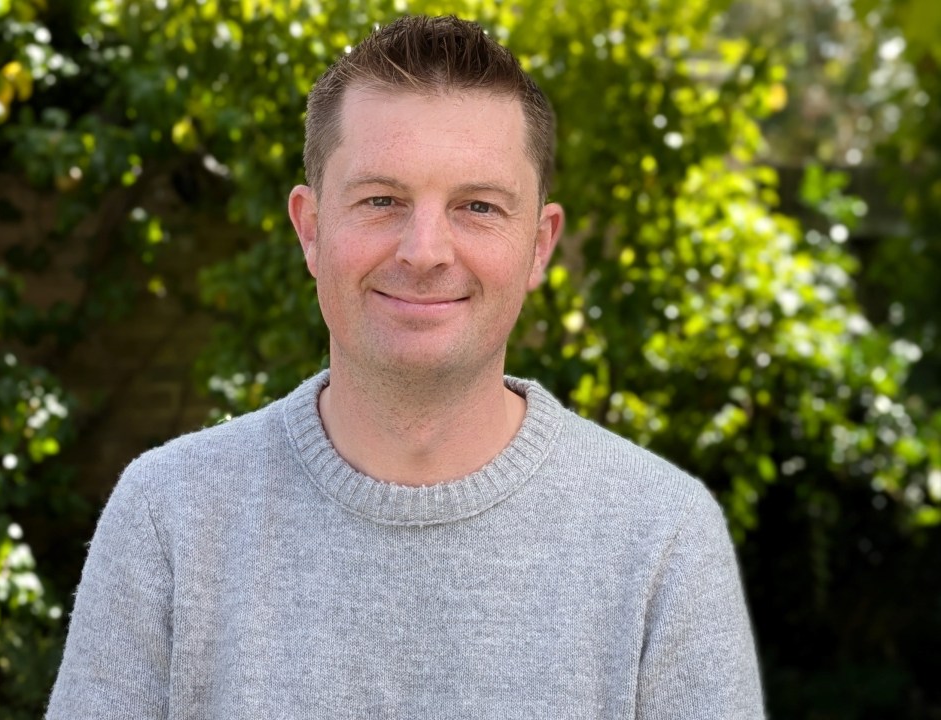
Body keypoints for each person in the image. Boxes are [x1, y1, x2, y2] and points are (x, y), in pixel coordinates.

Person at [47, 14, 764, 719]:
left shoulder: (660, 537)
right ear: (310, 229)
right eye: (381, 200)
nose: (424, 251)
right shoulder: (168, 516)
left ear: (539, 245)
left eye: (477, 206)